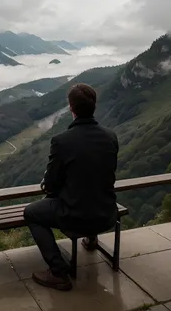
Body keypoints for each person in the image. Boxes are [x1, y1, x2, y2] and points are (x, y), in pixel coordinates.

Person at [24, 83, 118, 291]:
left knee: (31, 212)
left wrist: (51, 185)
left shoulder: (61, 141)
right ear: (94, 106)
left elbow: (50, 185)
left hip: (77, 216)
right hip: (107, 213)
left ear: (71, 108)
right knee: (90, 192)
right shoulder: (111, 136)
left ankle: (58, 272)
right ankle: (91, 240)